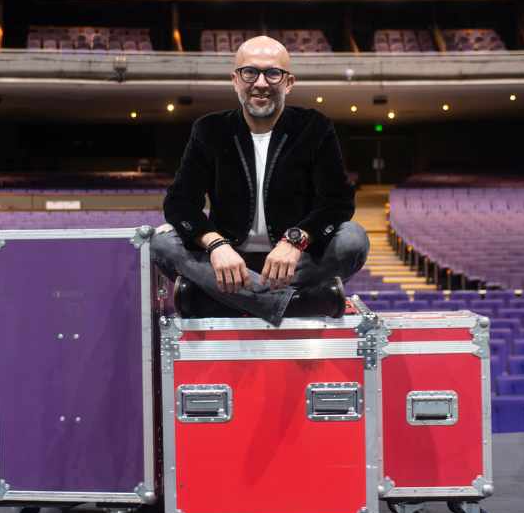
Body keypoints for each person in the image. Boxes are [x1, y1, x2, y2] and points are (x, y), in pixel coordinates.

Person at [150, 36, 369, 326]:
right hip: (227, 263)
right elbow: (180, 201)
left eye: (273, 73)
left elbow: (337, 199)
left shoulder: (315, 126)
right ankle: (297, 302)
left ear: (288, 83)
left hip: (294, 262)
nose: (261, 83)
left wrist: (295, 240)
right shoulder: (209, 129)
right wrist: (216, 246)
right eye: (250, 72)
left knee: (354, 239)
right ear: (235, 80)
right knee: (161, 244)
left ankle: (220, 300)